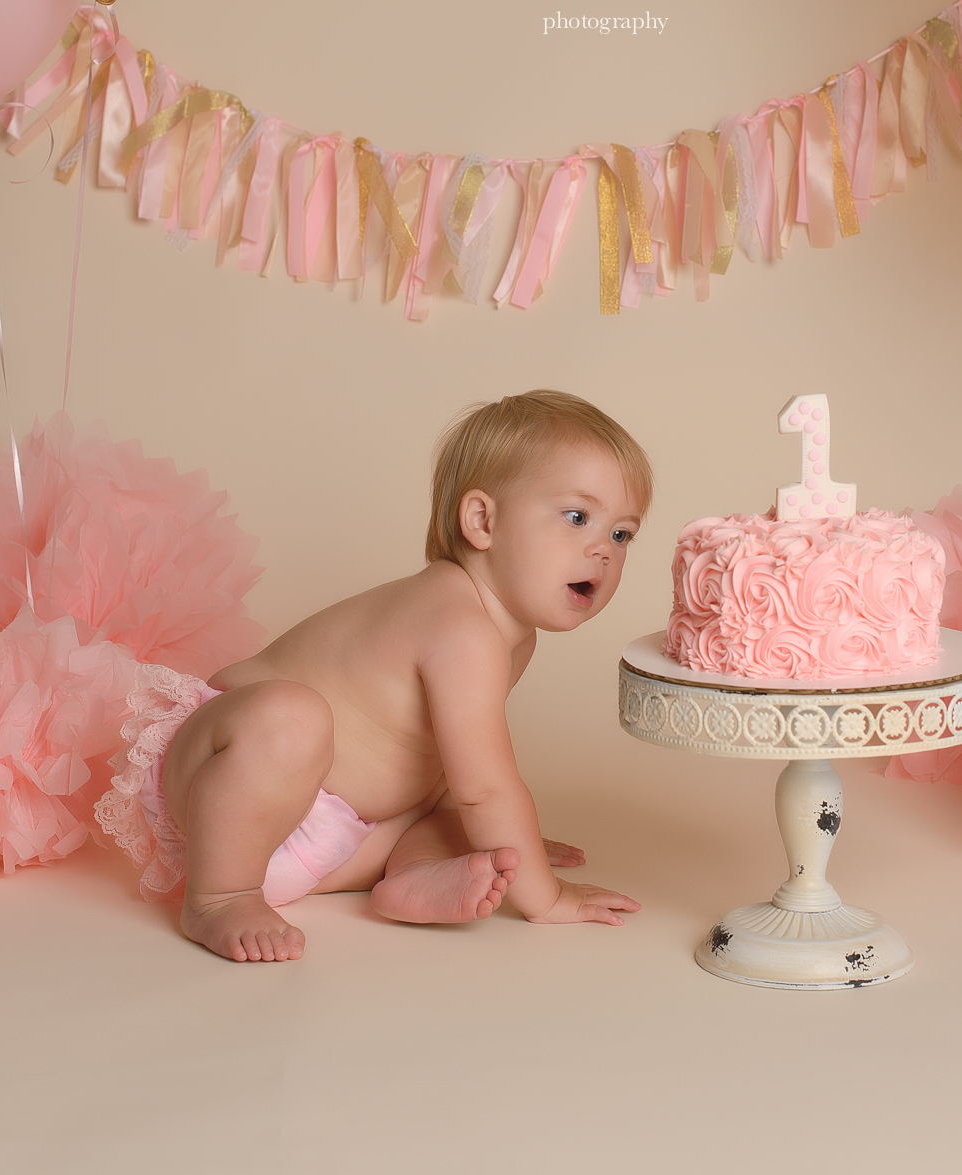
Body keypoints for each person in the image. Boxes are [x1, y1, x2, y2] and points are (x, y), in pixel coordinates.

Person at [95, 390, 650, 962]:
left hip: (331, 838)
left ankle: (416, 876)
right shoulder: (456, 620)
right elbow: (490, 788)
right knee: (291, 717)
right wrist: (545, 896)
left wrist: (515, 849)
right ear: (482, 521)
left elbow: (469, 781)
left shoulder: (515, 638)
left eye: (622, 533)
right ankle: (218, 897)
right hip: (227, 794)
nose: (603, 550)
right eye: (578, 517)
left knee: (446, 788)